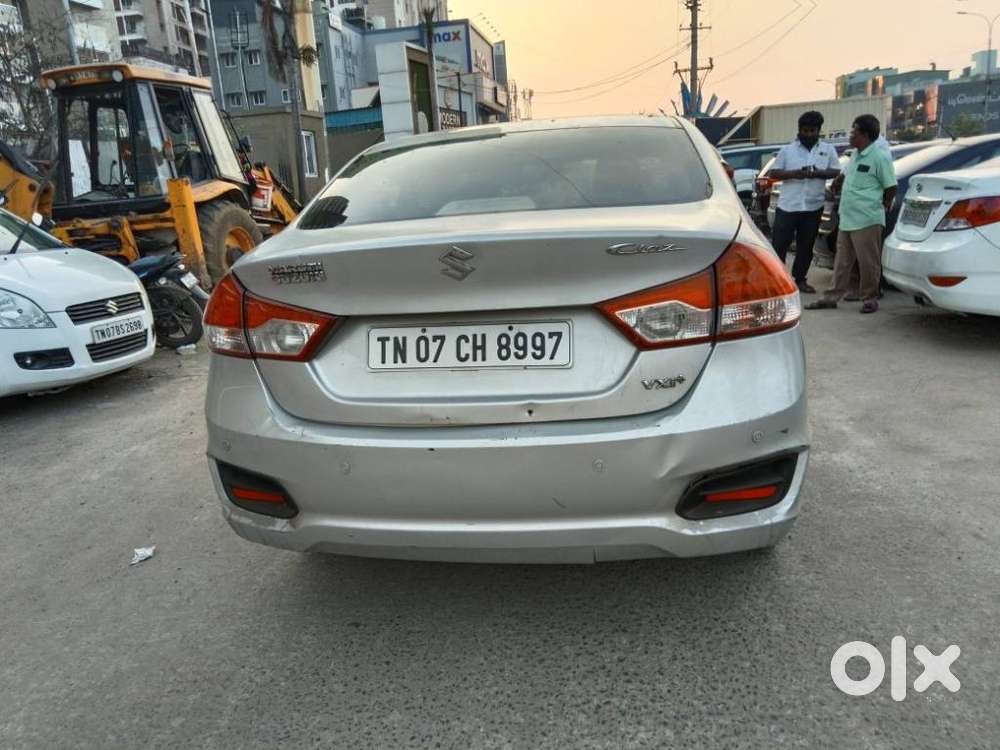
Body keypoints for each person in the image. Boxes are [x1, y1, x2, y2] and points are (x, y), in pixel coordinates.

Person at [806, 114, 897, 314]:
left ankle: (870, 298)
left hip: (867, 218)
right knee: (842, 261)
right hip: (848, 217)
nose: (850, 134)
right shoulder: (856, 154)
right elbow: (849, 175)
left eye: (854, 131)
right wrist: (839, 181)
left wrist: (882, 203)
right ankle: (831, 297)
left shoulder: (879, 157)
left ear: (864, 134)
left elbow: (891, 186)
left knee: (868, 262)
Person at [768, 111, 841, 293]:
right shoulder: (788, 150)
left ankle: (800, 279)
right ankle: (777, 281)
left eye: (813, 131)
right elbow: (774, 173)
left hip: (812, 206)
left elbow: (835, 171)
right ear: (799, 130)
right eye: (805, 130)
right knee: (779, 246)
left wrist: (817, 173)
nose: (809, 134)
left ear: (818, 131)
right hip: (788, 206)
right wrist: (795, 174)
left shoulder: (827, 150)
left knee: (806, 246)